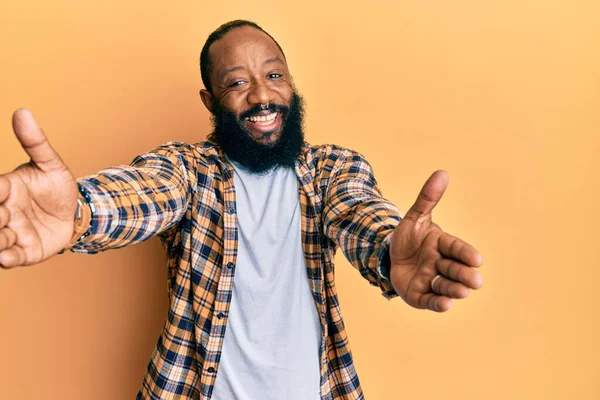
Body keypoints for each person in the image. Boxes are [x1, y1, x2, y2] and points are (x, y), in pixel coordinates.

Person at [0, 20, 483, 400]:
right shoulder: (189, 170)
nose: (262, 95)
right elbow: (148, 191)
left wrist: (388, 245)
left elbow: (357, 209)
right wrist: (81, 213)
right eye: (237, 82)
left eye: (274, 75)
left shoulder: (333, 168)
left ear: (292, 84)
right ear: (211, 101)